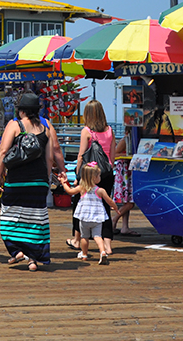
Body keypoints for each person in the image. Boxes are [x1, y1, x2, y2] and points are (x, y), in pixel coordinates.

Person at [0, 92, 57, 272]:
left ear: (21, 110)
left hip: (17, 180)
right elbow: (50, 158)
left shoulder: (15, 125)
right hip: (38, 181)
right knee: (36, 220)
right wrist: (45, 180)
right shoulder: (46, 129)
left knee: (8, 217)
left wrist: (0, 174)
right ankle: (32, 259)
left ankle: (17, 251)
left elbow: (2, 151)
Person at [69, 100, 115, 255]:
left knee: (79, 205)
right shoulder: (110, 130)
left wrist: (77, 176)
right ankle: (107, 246)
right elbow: (112, 156)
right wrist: (108, 170)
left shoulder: (87, 131)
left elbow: (81, 156)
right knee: (105, 207)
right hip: (107, 174)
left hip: (90, 175)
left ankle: (77, 240)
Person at [57, 163, 118, 264]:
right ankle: (102, 252)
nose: (100, 177)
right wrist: (116, 208)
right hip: (97, 218)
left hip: (84, 218)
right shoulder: (100, 190)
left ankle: (84, 254)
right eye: (98, 175)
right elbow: (110, 201)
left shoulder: (82, 188)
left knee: (84, 237)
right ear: (94, 178)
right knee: (98, 236)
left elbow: (70, 191)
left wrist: (64, 182)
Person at [110, 137, 138, 236]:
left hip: (129, 170)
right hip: (124, 171)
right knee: (130, 203)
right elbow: (115, 154)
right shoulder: (125, 140)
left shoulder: (132, 140)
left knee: (128, 201)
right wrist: (128, 155)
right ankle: (114, 220)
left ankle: (125, 227)